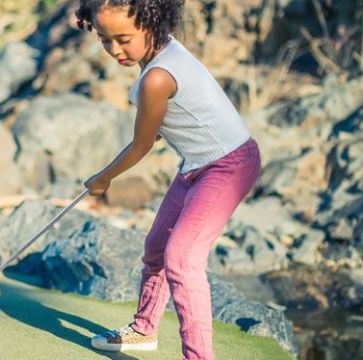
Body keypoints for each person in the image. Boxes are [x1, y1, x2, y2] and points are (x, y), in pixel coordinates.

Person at [76, 1, 261, 359]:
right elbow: (178, 116)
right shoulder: (161, 52)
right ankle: (143, 330)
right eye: (105, 40)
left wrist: (102, 179)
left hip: (228, 165)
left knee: (181, 257)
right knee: (157, 248)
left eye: (123, 39)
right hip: (197, 165)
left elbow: (142, 145)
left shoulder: (158, 76)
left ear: (150, 22)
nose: (115, 50)